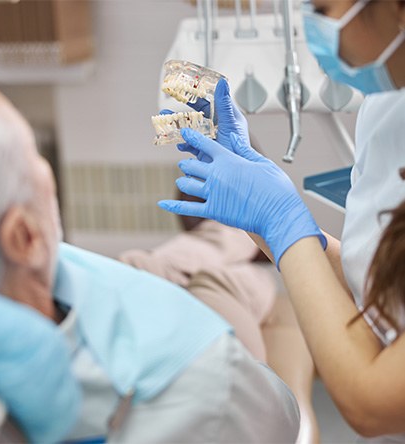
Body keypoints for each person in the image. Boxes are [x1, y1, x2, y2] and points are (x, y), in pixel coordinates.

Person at [0, 56, 300, 443]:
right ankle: (238, 240)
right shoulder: (206, 383)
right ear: (25, 238)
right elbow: (285, 416)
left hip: (80, 285)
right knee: (222, 281)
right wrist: (277, 222)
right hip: (208, 365)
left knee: (148, 264)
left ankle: (223, 234)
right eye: (35, 159)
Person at [159, 0, 405, 440]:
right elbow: (380, 284)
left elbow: (373, 401)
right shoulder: (388, 106)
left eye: (322, 8)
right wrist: (263, 218)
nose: (311, 25)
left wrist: (281, 219)